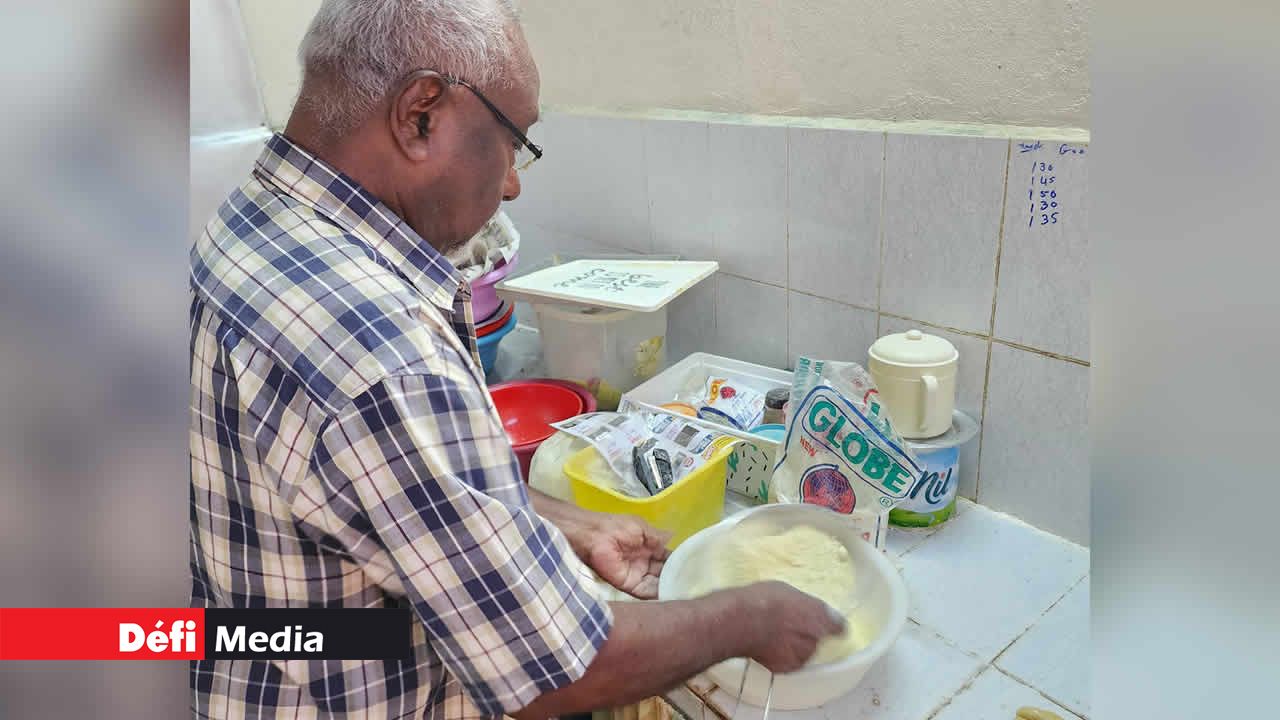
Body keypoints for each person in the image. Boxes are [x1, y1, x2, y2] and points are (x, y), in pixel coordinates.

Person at [188, 1, 844, 717]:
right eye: (513, 142)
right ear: (421, 116)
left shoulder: (245, 226)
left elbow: (369, 490)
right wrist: (745, 618)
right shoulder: (382, 347)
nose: (512, 185)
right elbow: (554, 670)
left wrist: (568, 522)